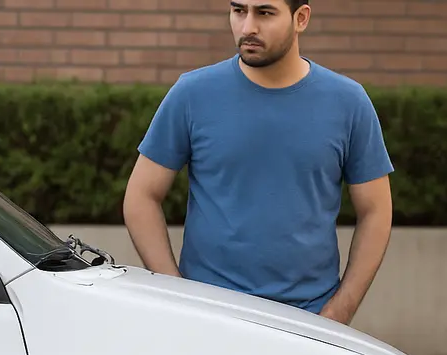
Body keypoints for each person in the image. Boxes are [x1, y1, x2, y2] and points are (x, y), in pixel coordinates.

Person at [123, 0, 394, 326]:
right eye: (239, 11)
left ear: (301, 18)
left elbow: (376, 211)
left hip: (311, 321)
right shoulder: (192, 94)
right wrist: (178, 295)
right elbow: (140, 197)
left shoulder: (349, 103)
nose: (248, 27)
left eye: (264, 13)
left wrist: (340, 310)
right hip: (209, 316)